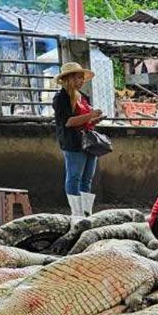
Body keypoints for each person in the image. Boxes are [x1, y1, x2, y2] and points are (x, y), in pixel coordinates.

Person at [53, 60, 104, 219]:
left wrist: (94, 120)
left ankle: (86, 212)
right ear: (67, 79)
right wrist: (90, 116)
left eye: (82, 78)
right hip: (73, 142)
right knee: (74, 176)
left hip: (88, 141)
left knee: (87, 179)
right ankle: (76, 213)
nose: (81, 81)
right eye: (77, 78)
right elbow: (68, 122)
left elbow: (84, 120)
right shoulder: (61, 98)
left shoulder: (84, 97)